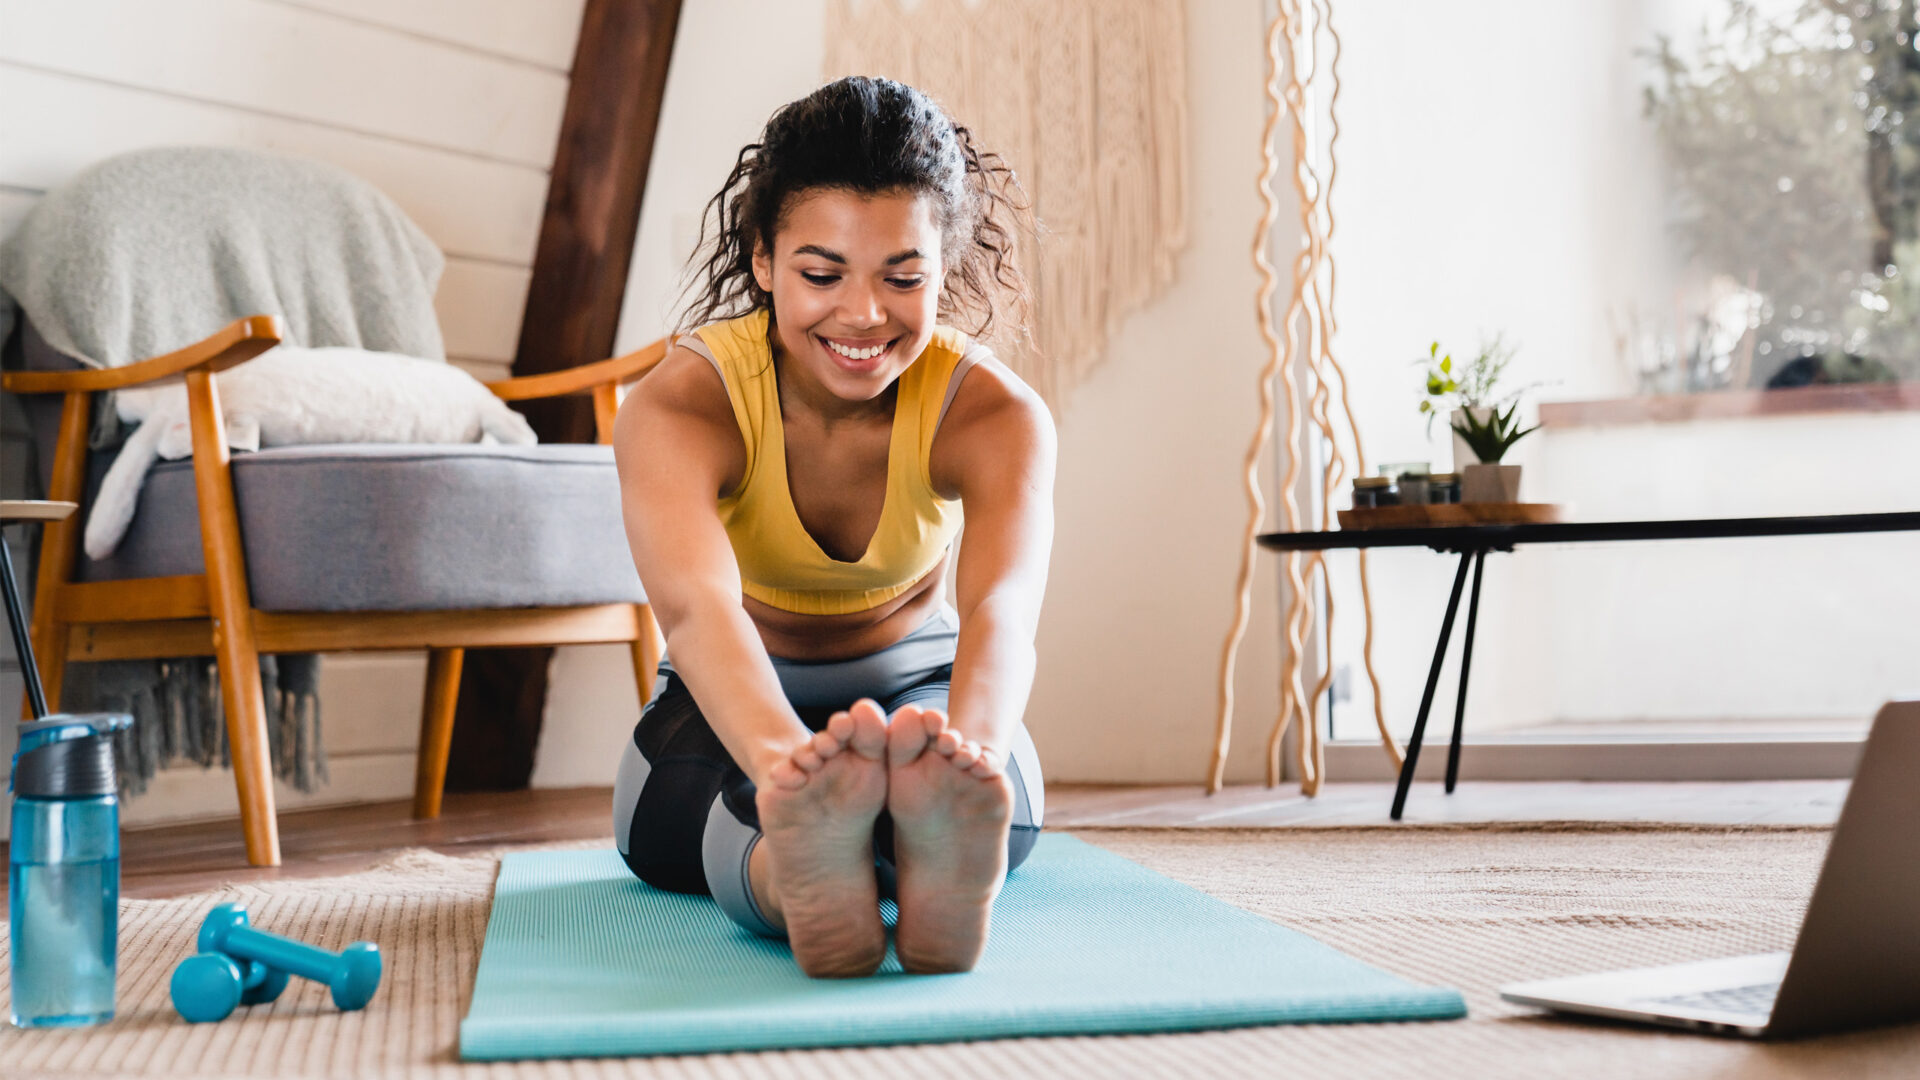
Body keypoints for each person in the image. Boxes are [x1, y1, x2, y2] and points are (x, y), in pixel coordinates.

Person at [609, 76, 1055, 979]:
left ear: (945, 270)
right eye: (821, 275)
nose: (863, 315)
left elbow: (1003, 611)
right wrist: (788, 776)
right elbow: (698, 614)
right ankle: (796, 870)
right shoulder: (683, 404)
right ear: (764, 259)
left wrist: (965, 759)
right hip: (729, 689)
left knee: (993, 794)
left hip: (919, 686)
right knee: (678, 816)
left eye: (904, 278)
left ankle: (937, 851)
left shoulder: (994, 413)